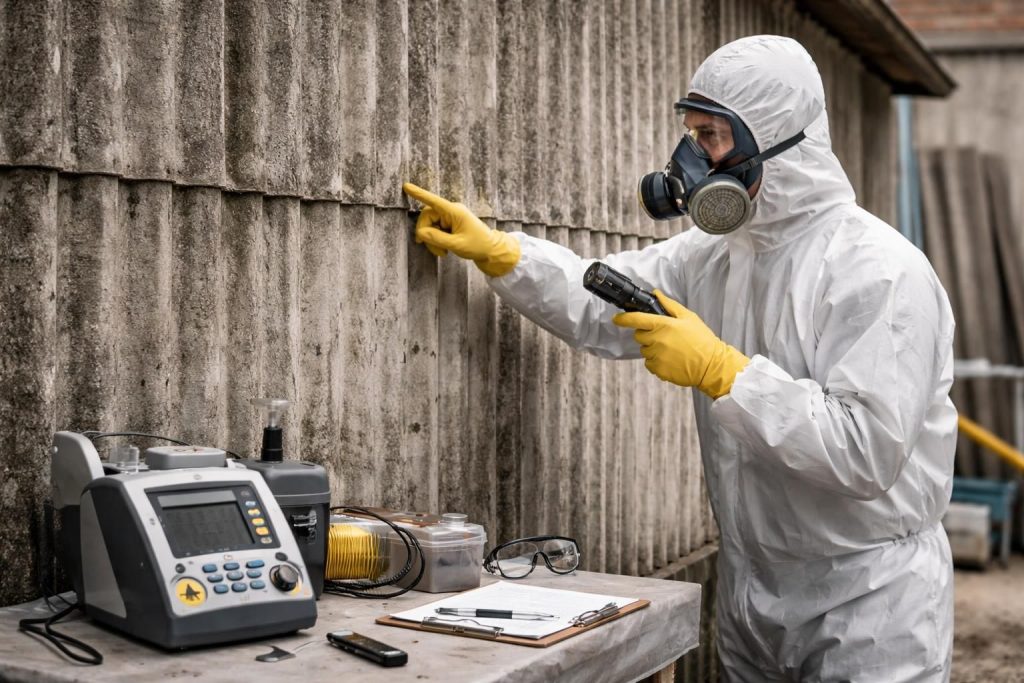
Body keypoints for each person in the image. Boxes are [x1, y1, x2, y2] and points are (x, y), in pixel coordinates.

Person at [403, 35, 956, 682]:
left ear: (773, 139)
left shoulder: (879, 272)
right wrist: (501, 252)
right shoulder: (717, 254)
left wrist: (726, 373)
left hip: (869, 606)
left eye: (713, 137)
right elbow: (602, 297)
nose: (693, 158)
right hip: (753, 591)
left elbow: (867, 451)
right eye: (692, 134)